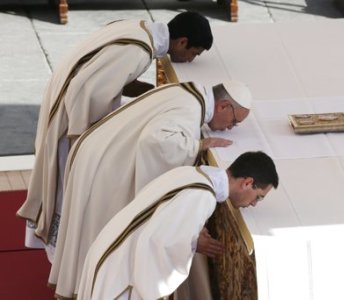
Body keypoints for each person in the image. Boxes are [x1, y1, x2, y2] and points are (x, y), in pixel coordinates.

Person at [16, 11, 213, 256]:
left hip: (62, 96)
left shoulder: (138, 29)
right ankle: (66, 255)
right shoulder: (138, 51)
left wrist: (155, 95)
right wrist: (95, 136)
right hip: (72, 121)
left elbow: (116, 79)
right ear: (182, 41)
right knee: (70, 187)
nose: (190, 60)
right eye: (193, 53)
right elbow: (86, 89)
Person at [49, 80, 253, 299]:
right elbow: (154, 142)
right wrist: (196, 146)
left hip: (100, 151)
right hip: (106, 167)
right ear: (223, 106)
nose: (230, 128)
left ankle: (85, 286)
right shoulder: (190, 113)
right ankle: (87, 288)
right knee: (97, 230)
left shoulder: (190, 93)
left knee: (99, 240)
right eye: (233, 122)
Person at [77, 151, 279, 300]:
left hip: (110, 250)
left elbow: (167, 217)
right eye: (258, 197)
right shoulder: (203, 197)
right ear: (247, 183)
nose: (253, 204)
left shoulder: (192, 173)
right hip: (122, 274)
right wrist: (193, 243)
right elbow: (162, 243)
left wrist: (192, 231)